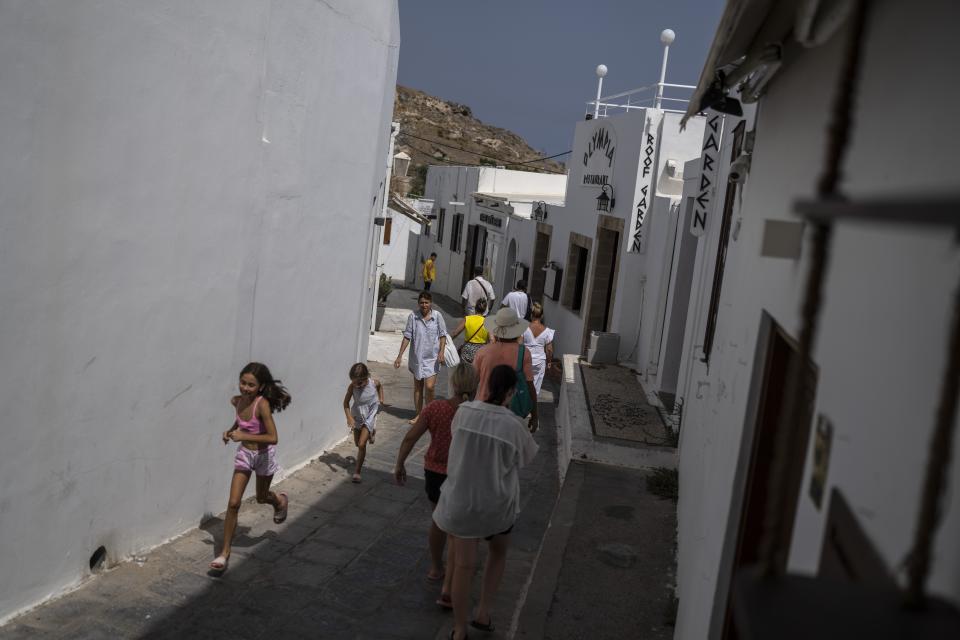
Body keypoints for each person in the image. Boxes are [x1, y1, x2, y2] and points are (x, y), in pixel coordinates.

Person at [433, 365, 539, 639]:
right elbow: (526, 458)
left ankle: (459, 629)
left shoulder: (465, 412)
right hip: (496, 505)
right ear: (512, 392)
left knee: (463, 567)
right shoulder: (513, 424)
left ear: (487, 384)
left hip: (462, 501)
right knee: (498, 552)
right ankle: (483, 611)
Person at [394, 362, 479, 597]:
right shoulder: (477, 414)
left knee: (439, 521)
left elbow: (411, 437)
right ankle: (454, 577)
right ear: (475, 386)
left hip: (435, 473)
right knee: (457, 528)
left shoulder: (435, 408)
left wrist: (400, 463)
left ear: (452, 384)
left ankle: (436, 567)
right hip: (462, 475)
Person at [211, 362, 292, 572]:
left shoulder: (262, 404)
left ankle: (280, 501)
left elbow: (273, 438)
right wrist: (229, 432)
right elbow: (241, 423)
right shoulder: (236, 401)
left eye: (251, 385)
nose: (245, 388)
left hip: (264, 456)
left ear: (261, 386)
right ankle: (224, 553)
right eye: (243, 383)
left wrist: (243, 435)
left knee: (261, 497)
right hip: (245, 456)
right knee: (234, 503)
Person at [473, 307, 539, 433]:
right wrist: (535, 415)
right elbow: (530, 386)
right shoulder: (523, 353)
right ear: (516, 330)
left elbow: (472, 384)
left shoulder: (483, 352)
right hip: (510, 414)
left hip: (483, 408)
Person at [395, 291, 447, 423]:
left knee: (429, 387)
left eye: (426, 302)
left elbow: (442, 335)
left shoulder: (437, 316)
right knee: (418, 386)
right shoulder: (413, 316)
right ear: (418, 303)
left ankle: (429, 413)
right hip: (417, 357)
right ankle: (419, 415)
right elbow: (407, 336)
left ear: (431, 303)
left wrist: (441, 352)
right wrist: (400, 356)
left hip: (432, 358)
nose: (424, 305)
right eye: (422, 302)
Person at [343, 362, 385, 483]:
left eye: (360, 383)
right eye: (354, 382)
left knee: (362, 444)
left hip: (370, 414)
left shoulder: (373, 383)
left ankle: (357, 472)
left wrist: (381, 399)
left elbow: (380, 386)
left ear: (367, 377)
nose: (357, 385)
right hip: (357, 415)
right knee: (357, 443)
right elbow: (345, 403)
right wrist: (349, 417)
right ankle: (371, 432)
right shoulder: (352, 387)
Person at [522, 302, 555, 395]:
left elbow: (519, 345)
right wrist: (549, 362)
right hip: (540, 361)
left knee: (523, 385)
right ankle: (532, 407)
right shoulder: (547, 331)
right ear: (542, 316)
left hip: (525, 360)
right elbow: (549, 350)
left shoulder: (524, 328)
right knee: (535, 388)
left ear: (531, 315)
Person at [448, 298, 489, 364]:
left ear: (475, 308)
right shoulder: (487, 322)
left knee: (464, 371)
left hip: (467, 349)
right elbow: (492, 339)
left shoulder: (468, 319)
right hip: (480, 350)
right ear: (484, 310)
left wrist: (446, 342)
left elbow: (455, 333)